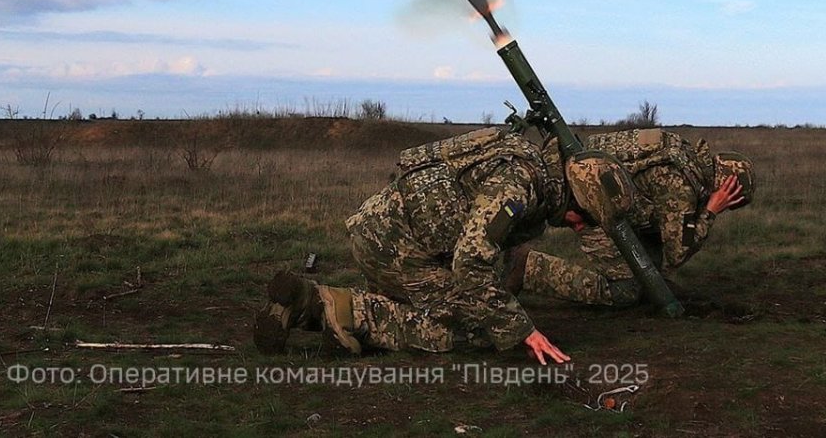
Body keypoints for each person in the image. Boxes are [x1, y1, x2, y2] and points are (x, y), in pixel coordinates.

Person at [252, 126, 625, 364]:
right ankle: (342, 309)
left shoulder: (528, 164)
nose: (579, 227)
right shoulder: (518, 184)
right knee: (476, 331)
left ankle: (302, 299)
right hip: (396, 248)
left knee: (460, 303)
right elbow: (471, 264)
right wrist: (522, 330)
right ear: (576, 199)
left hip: (390, 235)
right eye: (586, 218)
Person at [505, 128, 754, 307]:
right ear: (726, 185)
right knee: (626, 290)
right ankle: (529, 267)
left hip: (585, 189)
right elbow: (678, 252)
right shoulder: (681, 186)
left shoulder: (682, 154)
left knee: (652, 263)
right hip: (588, 207)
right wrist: (710, 211)